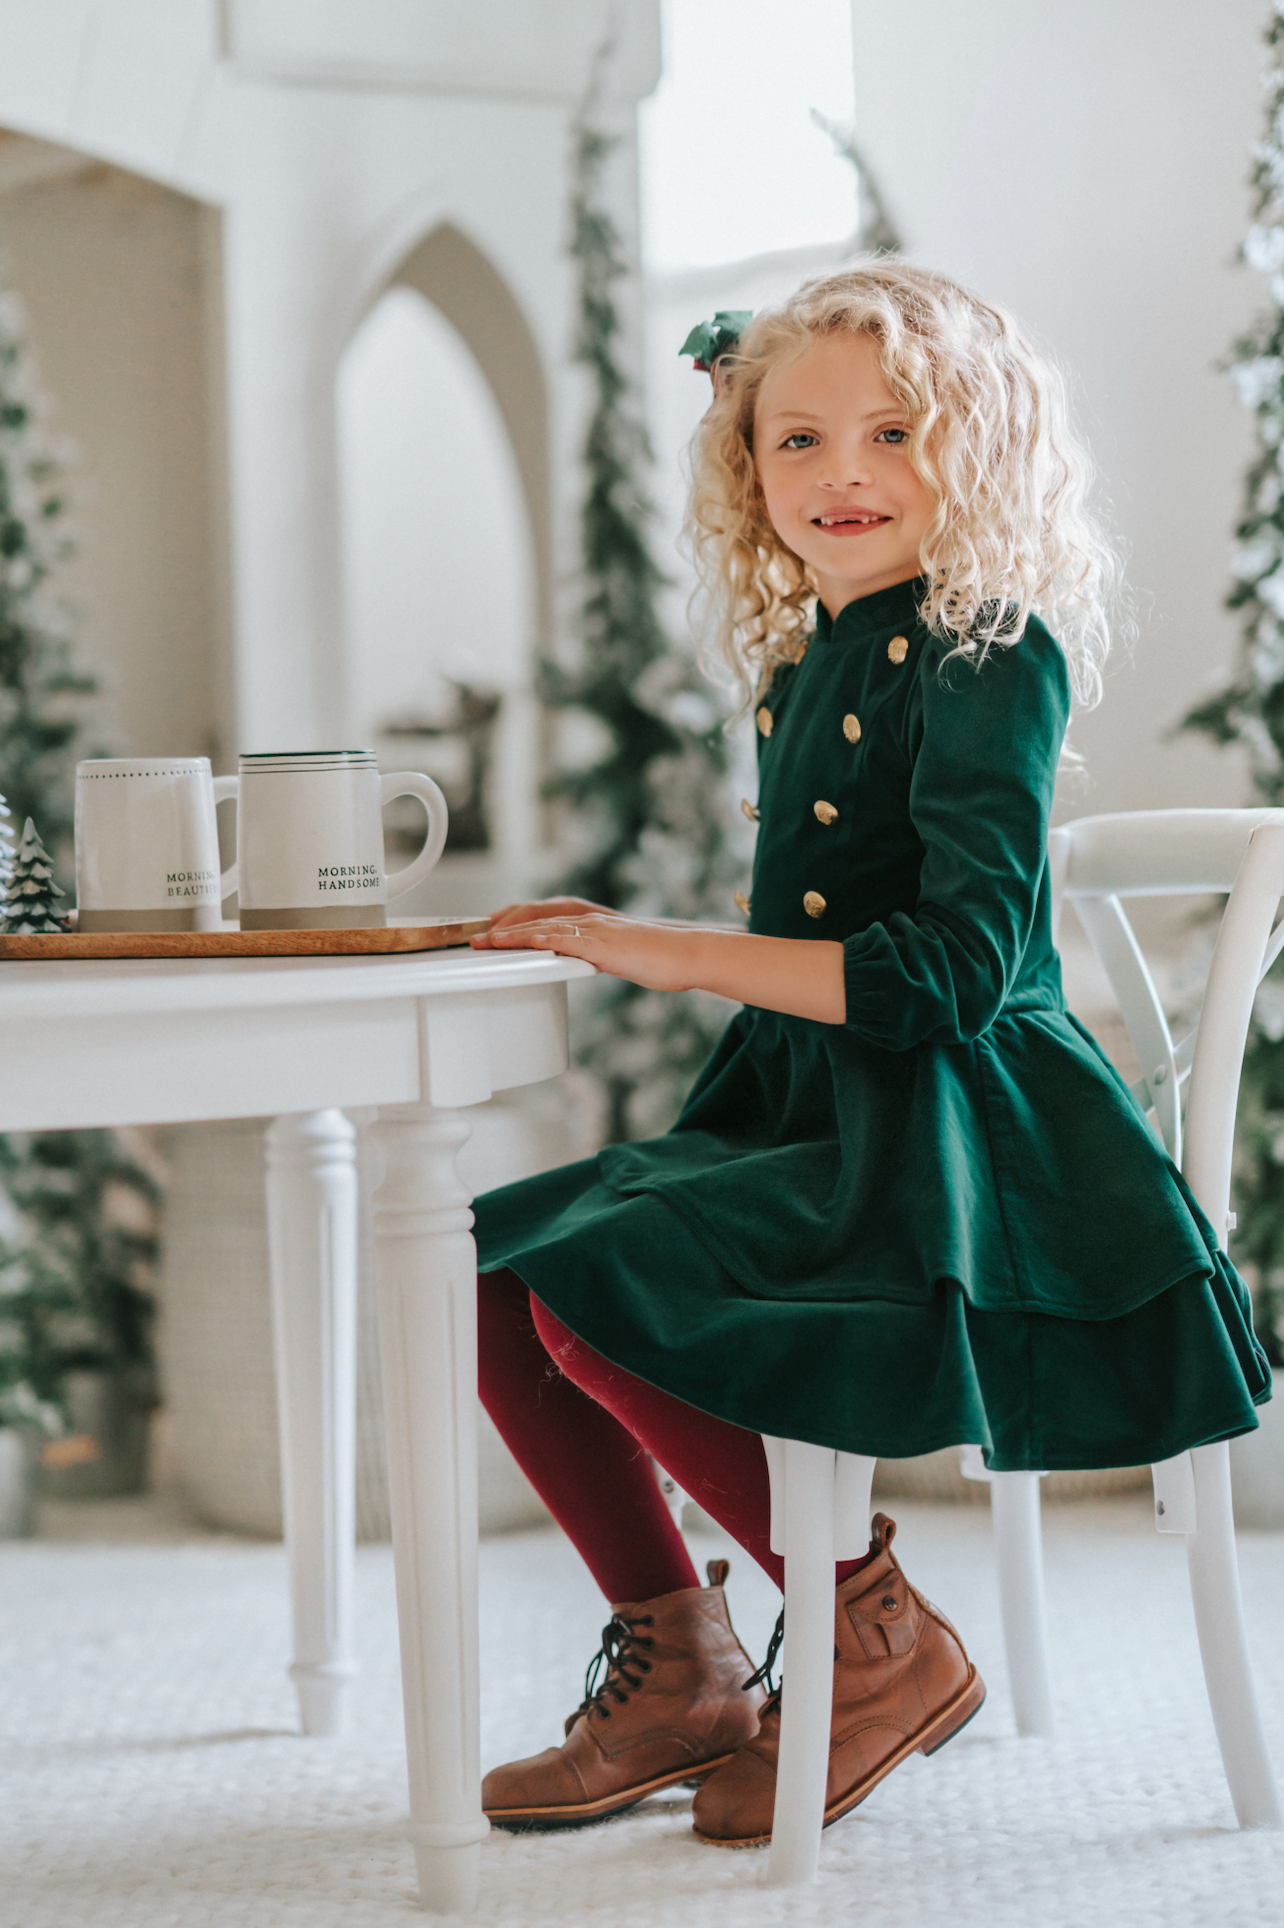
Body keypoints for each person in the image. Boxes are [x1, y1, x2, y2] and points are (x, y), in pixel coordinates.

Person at [465, 261, 1270, 1845]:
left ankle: (870, 1630)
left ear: (977, 453)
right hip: (815, 1107)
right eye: (797, 441)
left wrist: (653, 945)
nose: (843, 475)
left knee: (604, 1280)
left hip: (972, 1140)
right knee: (498, 1276)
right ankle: (686, 1663)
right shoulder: (805, 663)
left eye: (896, 434)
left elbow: (957, 974)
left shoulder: (992, 650)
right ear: (747, 471)